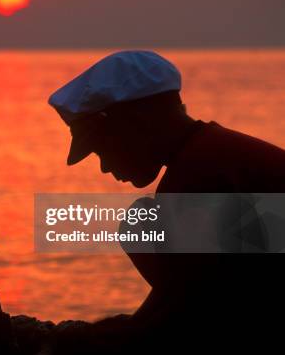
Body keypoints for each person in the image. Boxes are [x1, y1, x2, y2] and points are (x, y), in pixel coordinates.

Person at [48, 50, 285, 351]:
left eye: (101, 148)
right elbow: (186, 294)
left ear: (135, 124)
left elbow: (185, 310)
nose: (105, 167)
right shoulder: (214, 155)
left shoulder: (197, 177)